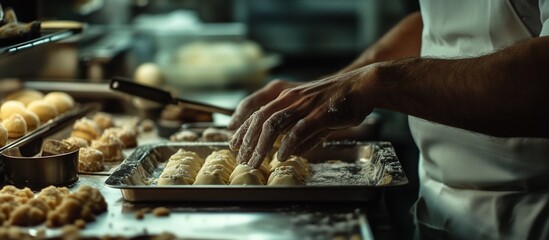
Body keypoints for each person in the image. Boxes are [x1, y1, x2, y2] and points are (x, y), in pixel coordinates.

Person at [228, 0, 549, 239]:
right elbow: (440, 24)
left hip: (529, 217)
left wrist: (375, 83)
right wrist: (335, 87)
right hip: (441, 210)